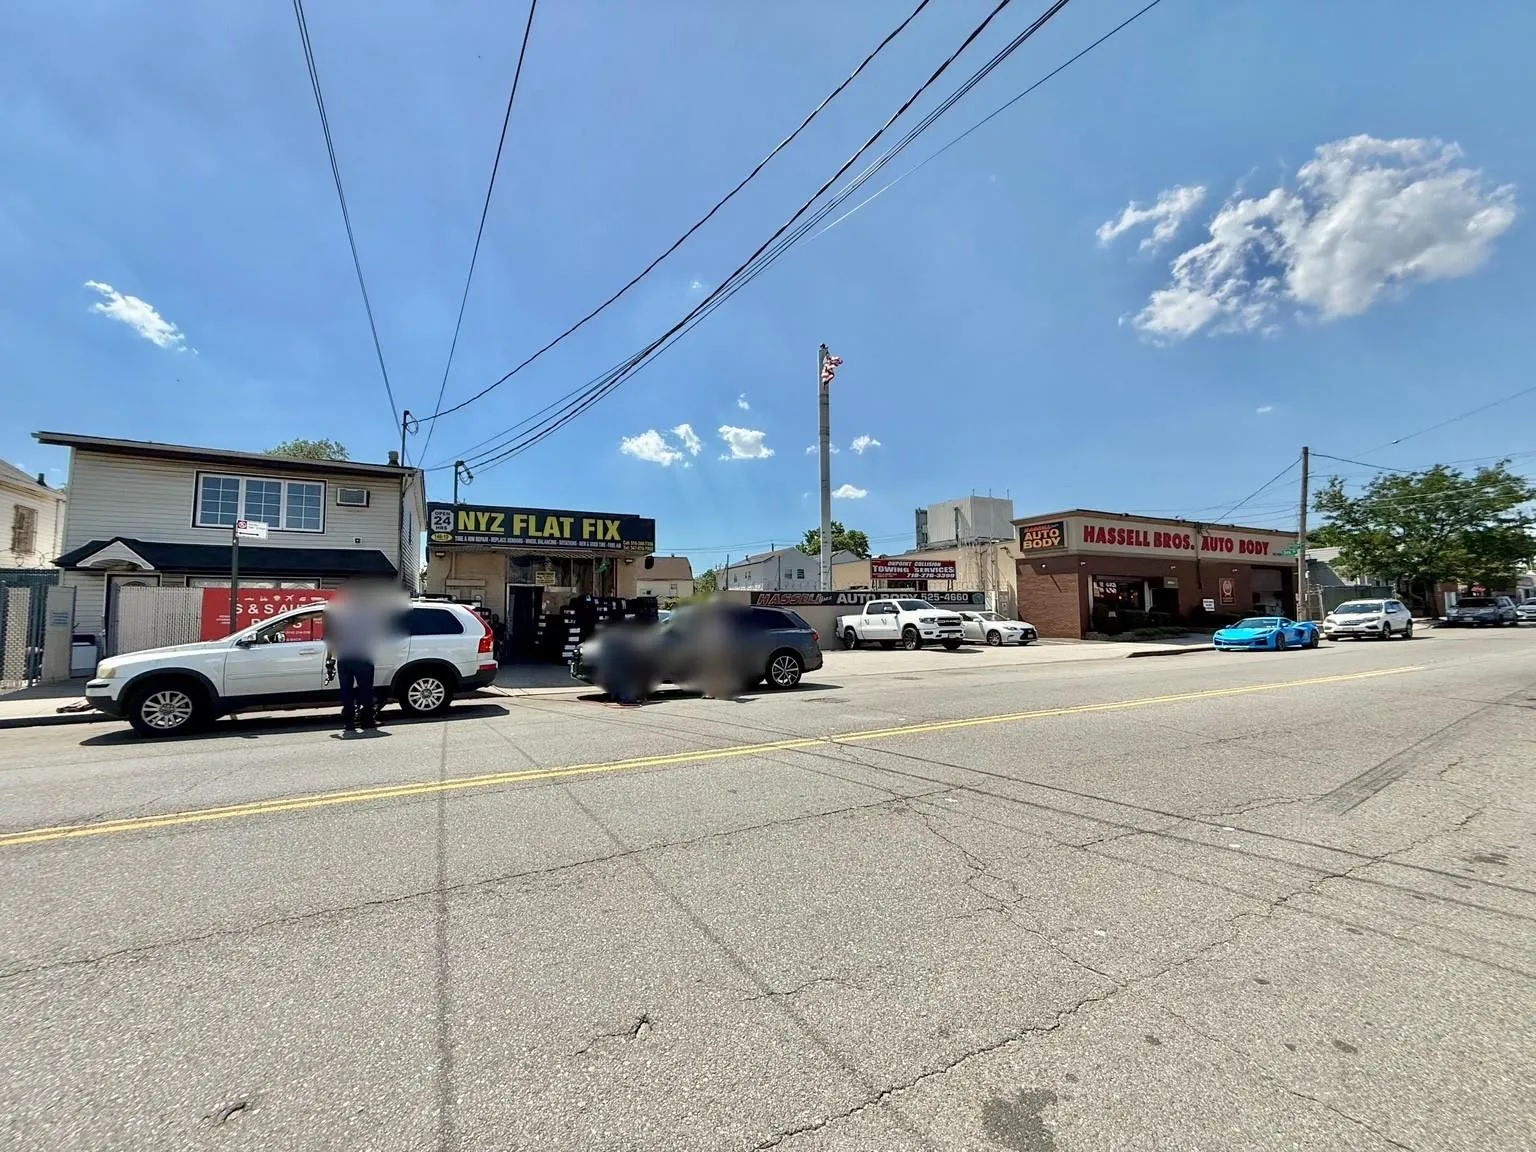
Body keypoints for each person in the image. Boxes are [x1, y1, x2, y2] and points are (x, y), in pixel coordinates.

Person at [324, 582, 396, 733]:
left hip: (344, 657)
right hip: (363, 657)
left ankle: (349, 723)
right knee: (366, 690)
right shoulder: (370, 616)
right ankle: (368, 720)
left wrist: (330, 659)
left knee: (346, 691)